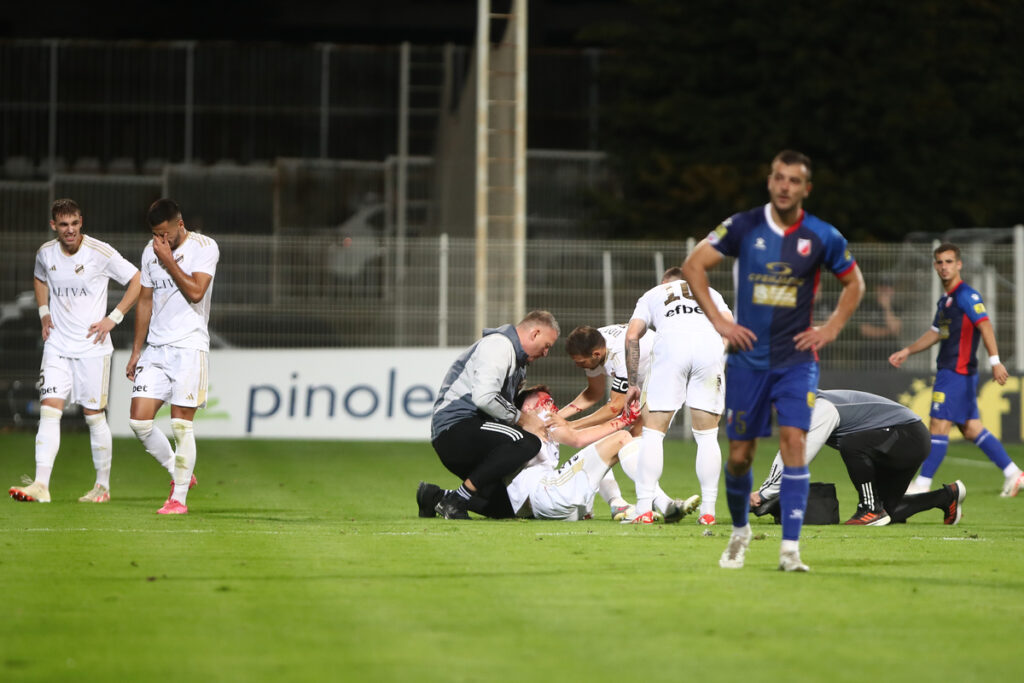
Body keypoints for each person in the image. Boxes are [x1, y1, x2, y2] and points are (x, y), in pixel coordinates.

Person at [682, 150, 864, 572]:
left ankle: (790, 550)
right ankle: (740, 532)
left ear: (806, 188)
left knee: (795, 444)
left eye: (794, 181)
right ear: (770, 182)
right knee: (741, 455)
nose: (785, 186)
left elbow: (854, 282)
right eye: (779, 178)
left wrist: (832, 328)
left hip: (797, 361)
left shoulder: (821, 235)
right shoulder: (744, 225)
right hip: (747, 361)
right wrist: (721, 324)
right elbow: (694, 266)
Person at [9, 198, 141, 504]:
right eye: (64, 225)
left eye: (75, 224)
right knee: (49, 411)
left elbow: (136, 279)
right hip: (57, 346)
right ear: (54, 226)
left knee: (94, 417)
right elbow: (40, 277)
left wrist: (114, 318)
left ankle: (102, 487)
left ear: (82, 222)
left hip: (92, 349)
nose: (70, 231)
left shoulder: (100, 253)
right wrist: (44, 312)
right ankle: (41, 485)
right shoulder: (45, 252)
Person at [889, 243, 1024, 498]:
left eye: (949, 261)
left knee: (939, 424)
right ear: (934, 265)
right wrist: (908, 350)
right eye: (939, 262)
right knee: (971, 428)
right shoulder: (946, 301)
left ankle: (923, 484)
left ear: (959, 264)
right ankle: (1013, 473)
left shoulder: (967, 296)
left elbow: (985, 326)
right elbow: (935, 333)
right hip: (957, 373)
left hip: (956, 372)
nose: (944, 267)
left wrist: (995, 361)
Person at [749, 389, 966, 526]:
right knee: (891, 511)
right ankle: (946, 497)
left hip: (907, 435)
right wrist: (765, 491)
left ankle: (870, 509)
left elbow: (799, 455)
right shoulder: (806, 408)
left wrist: (764, 494)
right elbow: (788, 450)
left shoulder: (820, 408)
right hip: (901, 439)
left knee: (851, 444)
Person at [126, 198, 219, 515]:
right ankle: (180, 472)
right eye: (155, 234)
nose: (160, 241)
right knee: (139, 423)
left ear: (180, 224)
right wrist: (137, 350)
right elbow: (145, 301)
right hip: (156, 348)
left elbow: (196, 292)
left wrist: (168, 260)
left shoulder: (205, 247)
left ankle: (178, 499)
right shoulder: (149, 251)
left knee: (181, 426)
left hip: (189, 347)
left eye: (164, 234)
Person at [424, 311, 559, 520]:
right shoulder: (499, 345)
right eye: (547, 345)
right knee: (527, 442)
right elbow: (485, 398)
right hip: (456, 427)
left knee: (507, 506)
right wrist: (524, 420)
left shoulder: (518, 364)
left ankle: (434, 497)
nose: (546, 353)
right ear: (535, 333)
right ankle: (457, 501)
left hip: (472, 432)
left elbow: (502, 408)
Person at [622, 267, 732, 525]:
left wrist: (632, 383)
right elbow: (729, 330)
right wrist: (717, 361)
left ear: (664, 282)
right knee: (707, 436)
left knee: (653, 433)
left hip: (671, 347)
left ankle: (644, 511)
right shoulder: (710, 292)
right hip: (710, 348)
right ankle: (708, 512)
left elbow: (632, 335)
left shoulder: (653, 293)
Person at [560, 321, 657, 520]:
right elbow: (594, 393)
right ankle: (619, 503)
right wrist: (559, 417)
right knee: (602, 442)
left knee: (638, 441)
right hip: (640, 381)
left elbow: (615, 407)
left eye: (580, 363)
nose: (578, 366)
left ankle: (655, 503)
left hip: (663, 378)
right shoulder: (594, 348)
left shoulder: (619, 354)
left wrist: (571, 426)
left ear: (595, 355)